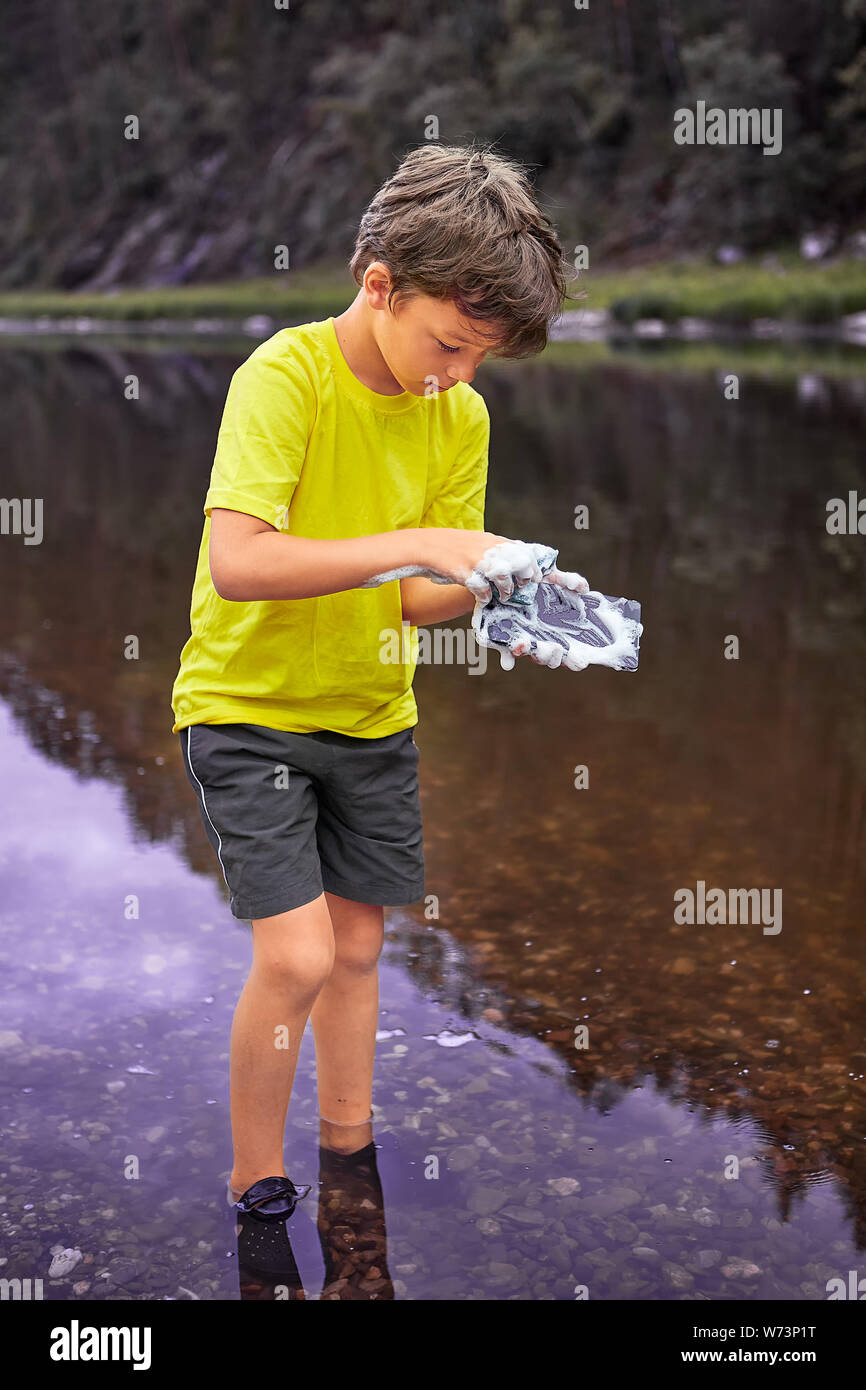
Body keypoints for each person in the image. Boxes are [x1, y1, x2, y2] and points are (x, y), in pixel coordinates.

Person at [170, 141, 574, 1215]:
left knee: (356, 944)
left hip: (369, 711)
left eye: (481, 358)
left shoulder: (458, 413)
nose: (459, 376)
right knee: (296, 955)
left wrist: (493, 591)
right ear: (377, 281)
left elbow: (410, 595)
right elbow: (239, 561)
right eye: (449, 343)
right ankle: (256, 1177)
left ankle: (348, 1151)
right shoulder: (286, 376)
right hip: (247, 710)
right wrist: (415, 540)